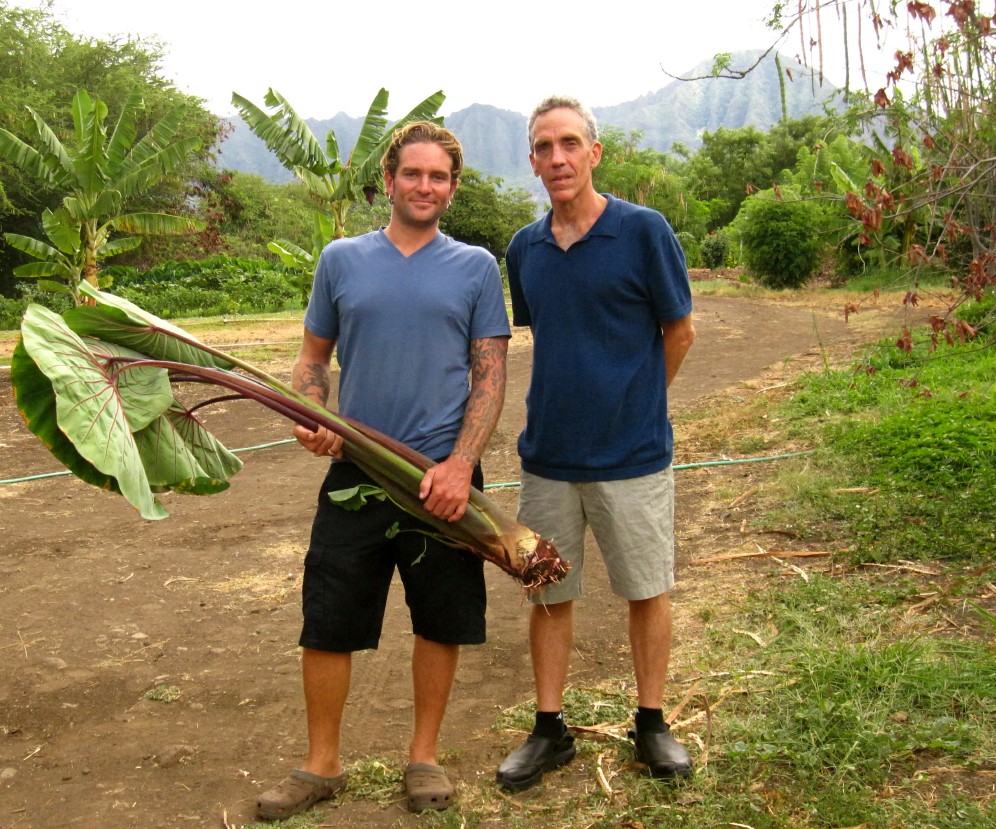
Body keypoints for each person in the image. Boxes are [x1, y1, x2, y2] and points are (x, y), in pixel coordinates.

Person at [256, 121, 511, 820]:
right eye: (413, 173)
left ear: (452, 190)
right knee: (328, 618)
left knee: (441, 618)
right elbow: (312, 359)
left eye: (439, 177)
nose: (424, 186)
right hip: (356, 472)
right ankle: (320, 764)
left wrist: (461, 465)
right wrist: (311, 410)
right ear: (389, 180)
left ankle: (423, 755)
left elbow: (490, 378)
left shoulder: (476, 268)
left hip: (442, 479)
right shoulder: (342, 260)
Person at [495, 96, 697, 792]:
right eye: (544, 147)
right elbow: (545, 335)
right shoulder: (525, 248)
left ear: (594, 153)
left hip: (633, 457)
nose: (557, 158)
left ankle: (651, 723)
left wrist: (637, 403)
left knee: (648, 587)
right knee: (548, 591)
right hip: (548, 460)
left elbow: (681, 330)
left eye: (570, 144)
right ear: (532, 161)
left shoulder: (644, 232)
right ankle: (550, 729)